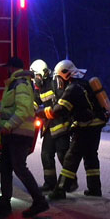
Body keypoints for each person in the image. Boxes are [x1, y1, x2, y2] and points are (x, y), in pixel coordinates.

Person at [0, 57, 49, 218]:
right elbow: (9, 105)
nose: (7, 70)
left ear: (12, 68)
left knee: (19, 167)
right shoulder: (16, 84)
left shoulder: (20, 83)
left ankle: (39, 201)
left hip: (18, 134)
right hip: (13, 134)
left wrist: (8, 126)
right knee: (5, 167)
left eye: (8, 67)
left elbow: (22, 110)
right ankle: (4, 202)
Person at [38, 60, 107, 199]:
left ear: (65, 75)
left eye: (58, 78)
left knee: (71, 158)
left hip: (85, 127)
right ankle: (95, 189)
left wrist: (42, 112)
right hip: (96, 125)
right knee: (91, 157)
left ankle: (60, 189)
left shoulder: (72, 89)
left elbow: (60, 109)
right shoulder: (84, 84)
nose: (58, 82)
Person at [30, 59, 71, 191]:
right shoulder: (40, 88)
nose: (34, 80)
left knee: (62, 155)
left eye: (35, 76)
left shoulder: (55, 82)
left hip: (61, 125)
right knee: (46, 154)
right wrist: (28, 112)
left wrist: (46, 112)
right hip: (49, 126)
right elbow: (35, 102)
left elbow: (62, 102)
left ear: (42, 73)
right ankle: (50, 183)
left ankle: (69, 182)